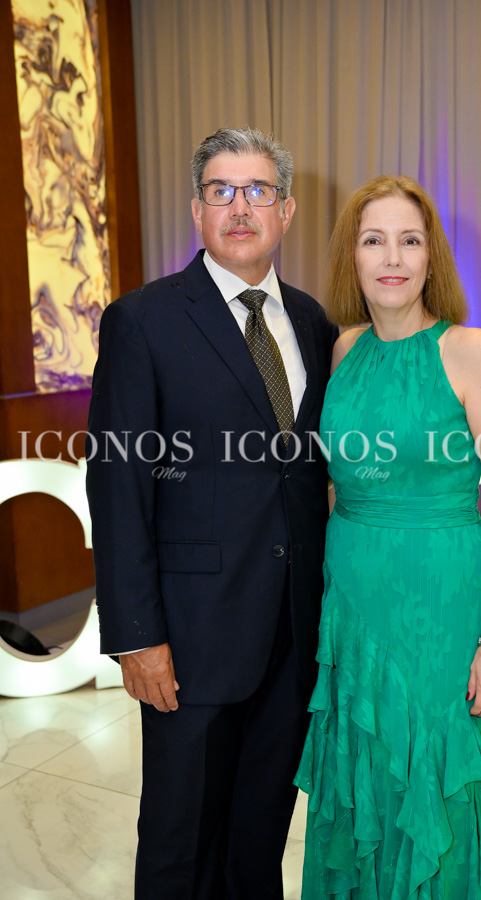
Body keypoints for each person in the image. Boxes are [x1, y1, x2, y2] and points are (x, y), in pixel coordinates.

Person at [86, 126, 337, 899]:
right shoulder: (143, 320)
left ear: (286, 211)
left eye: (258, 190)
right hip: (191, 636)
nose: (240, 207)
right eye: (220, 191)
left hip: (293, 631)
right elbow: (118, 486)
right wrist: (137, 636)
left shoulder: (316, 324)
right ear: (196, 211)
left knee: (259, 835)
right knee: (179, 839)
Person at [295, 175, 481, 898]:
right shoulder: (343, 351)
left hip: (440, 605)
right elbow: (335, 483)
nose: (392, 258)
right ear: (352, 256)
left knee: (433, 784)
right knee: (363, 779)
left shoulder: (471, 350)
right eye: (374, 240)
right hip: (353, 604)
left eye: (409, 240)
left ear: (432, 258)